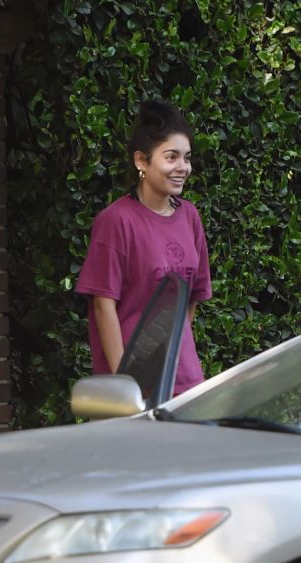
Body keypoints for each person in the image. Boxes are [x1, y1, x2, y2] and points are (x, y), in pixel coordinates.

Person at [75, 99, 212, 395]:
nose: (182, 167)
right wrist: (124, 384)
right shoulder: (116, 221)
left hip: (185, 378)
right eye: (171, 157)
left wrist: (173, 348)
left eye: (187, 158)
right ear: (141, 161)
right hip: (133, 383)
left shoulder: (189, 217)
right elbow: (103, 305)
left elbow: (191, 297)